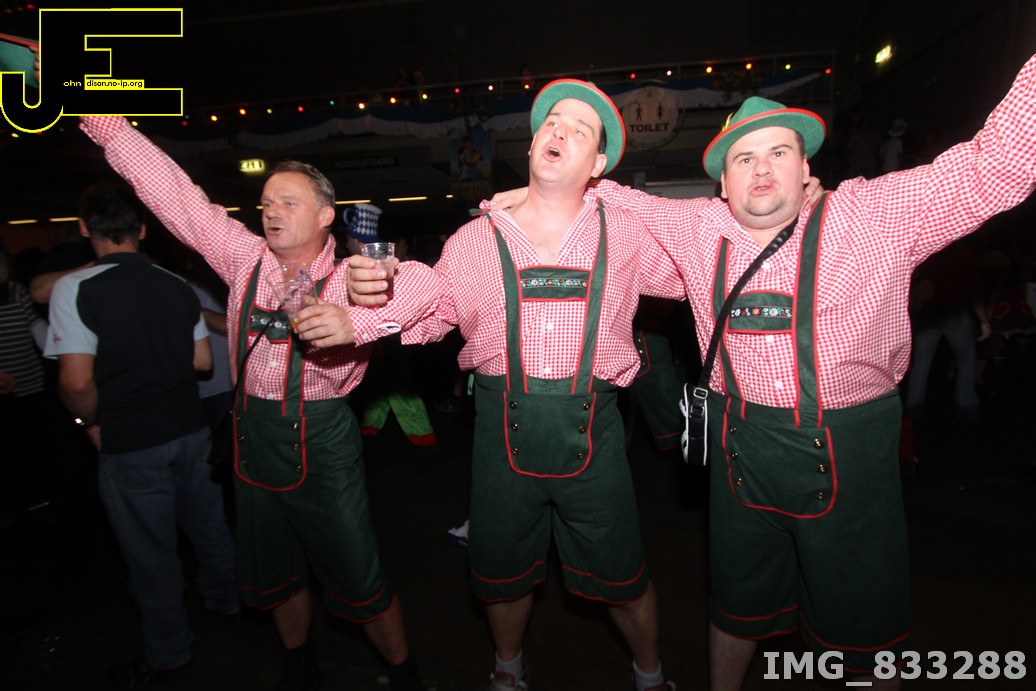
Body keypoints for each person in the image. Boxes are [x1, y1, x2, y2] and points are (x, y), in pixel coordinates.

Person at [492, 54, 1036, 690]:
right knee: (737, 606)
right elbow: (609, 193)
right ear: (722, 184)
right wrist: (535, 196)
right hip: (740, 453)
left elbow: (994, 166)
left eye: (778, 152)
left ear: (806, 169)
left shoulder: (872, 215)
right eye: (743, 158)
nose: (760, 169)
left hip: (851, 457)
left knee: (864, 629)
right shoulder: (699, 228)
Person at [76, 112, 438, 691]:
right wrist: (107, 124)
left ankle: (404, 672)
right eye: (267, 202)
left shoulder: (352, 275)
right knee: (276, 573)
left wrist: (362, 313)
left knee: (358, 575)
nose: (272, 211)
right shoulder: (243, 259)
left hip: (321, 444)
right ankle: (298, 662)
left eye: (289, 202)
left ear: (325, 215)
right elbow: (175, 194)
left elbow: (420, 285)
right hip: (253, 441)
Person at [349, 79, 686, 691]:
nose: (559, 132)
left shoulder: (627, 235)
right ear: (531, 143)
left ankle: (650, 673)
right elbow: (429, 309)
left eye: (579, 130)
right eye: (551, 122)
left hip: (595, 437)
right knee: (501, 576)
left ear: (599, 163)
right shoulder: (475, 239)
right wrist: (368, 301)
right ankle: (508, 668)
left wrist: (610, 195)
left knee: (624, 577)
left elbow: (701, 261)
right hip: (500, 437)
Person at [43, 182, 239, 686]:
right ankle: (229, 604)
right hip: (190, 428)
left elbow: (76, 382)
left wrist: (89, 422)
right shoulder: (174, 284)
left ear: (84, 229)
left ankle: (169, 652)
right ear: (143, 229)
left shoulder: (76, 288)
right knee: (211, 529)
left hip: (131, 438)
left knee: (151, 552)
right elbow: (202, 361)